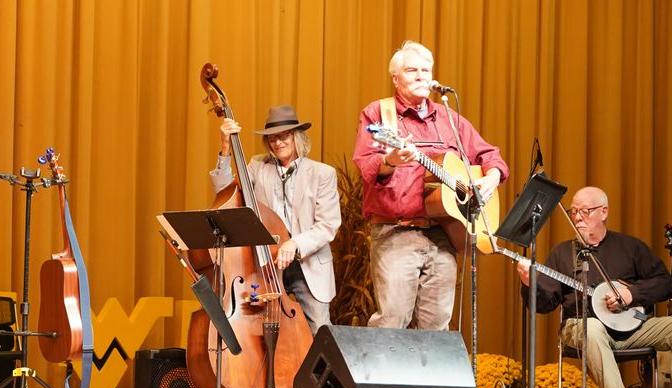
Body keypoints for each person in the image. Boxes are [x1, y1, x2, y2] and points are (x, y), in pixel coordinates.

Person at [352, 40, 509, 330]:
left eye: (426, 69)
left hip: (443, 234)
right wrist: (392, 160)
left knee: (437, 326)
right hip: (396, 233)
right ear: (396, 78)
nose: (422, 75)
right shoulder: (379, 115)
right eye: (412, 70)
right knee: (392, 321)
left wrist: (491, 178)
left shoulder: (450, 118)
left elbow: (490, 155)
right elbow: (366, 164)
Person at [516, 186, 672, 388]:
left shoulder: (630, 247)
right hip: (581, 327)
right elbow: (544, 305)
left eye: (585, 211)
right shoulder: (562, 253)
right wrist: (529, 283)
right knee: (591, 327)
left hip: (631, 328)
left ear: (604, 212)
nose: (577, 218)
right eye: (573, 212)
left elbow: (666, 283)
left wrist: (633, 294)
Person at [210, 104, 341, 333]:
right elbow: (224, 192)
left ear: (297, 137)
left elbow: (328, 225)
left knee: (320, 330)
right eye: (272, 138)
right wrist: (225, 148)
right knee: (260, 330)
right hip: (266, 261)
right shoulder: (257, 166)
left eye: (284, 136)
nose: (278, 143)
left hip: (307, 263)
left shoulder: (322, 173)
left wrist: (295, 243)